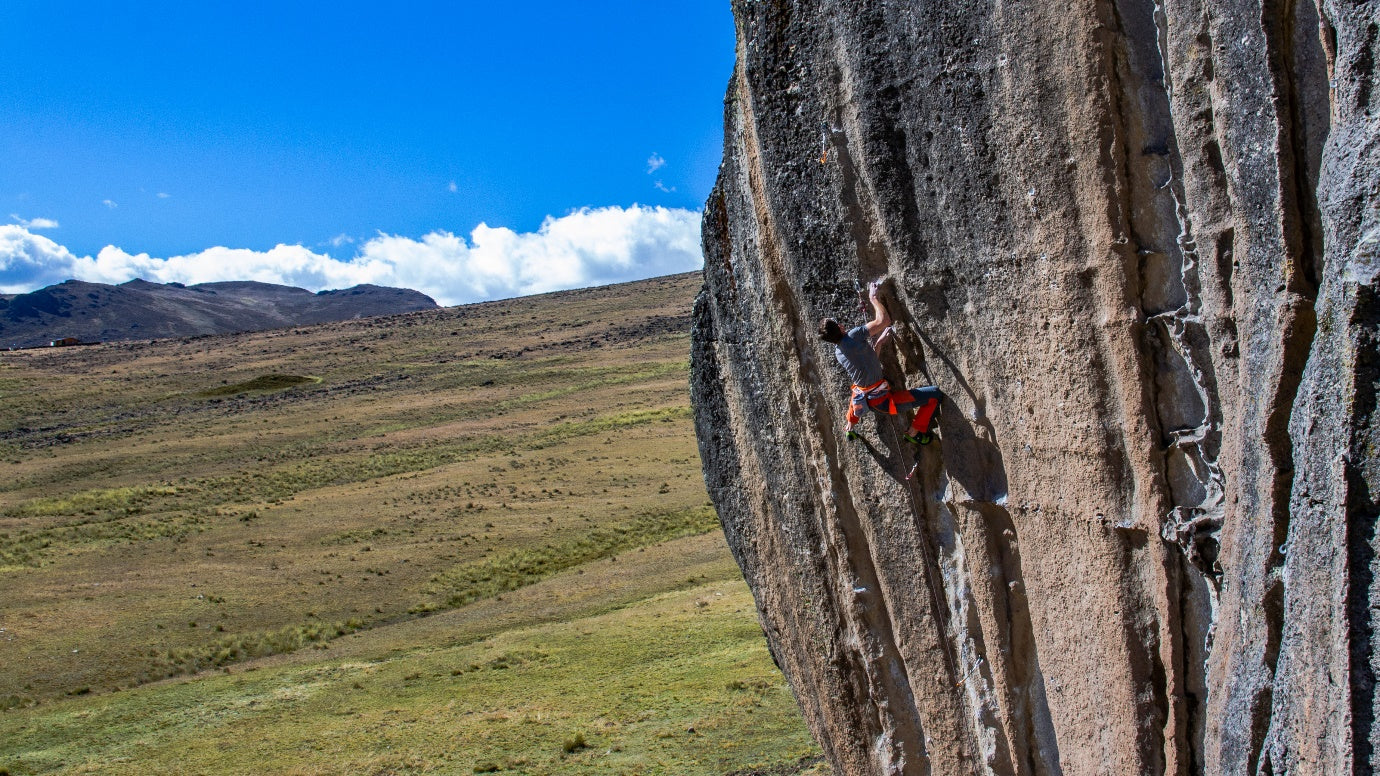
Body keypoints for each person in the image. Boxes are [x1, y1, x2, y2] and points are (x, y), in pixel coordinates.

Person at [819, 282, 942, 444]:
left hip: (866, 397)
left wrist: (879, 344)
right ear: (840, 327)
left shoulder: (838, 352)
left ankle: (850, 425)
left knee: (858, 387)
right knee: (934, 394)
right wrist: (873, 298)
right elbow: (884, 320)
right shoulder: (854, 336)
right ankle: (913, 433)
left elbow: (867, 367)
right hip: (883, 401)